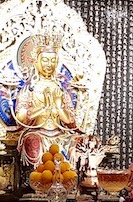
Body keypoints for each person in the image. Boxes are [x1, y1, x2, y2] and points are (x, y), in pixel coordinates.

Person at [11, 33, 82, 167]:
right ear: (36, 62)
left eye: (52, 60)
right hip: (38, 132)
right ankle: (40, 176)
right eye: (45, 60)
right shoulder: (30, 88)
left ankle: (70, 176)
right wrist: (41, 109)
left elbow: (71, 122)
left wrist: (59, 108)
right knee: (33, 141)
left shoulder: (61, 89)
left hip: (61, 134)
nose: (49, 64)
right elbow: (20, 119)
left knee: (80, 142)